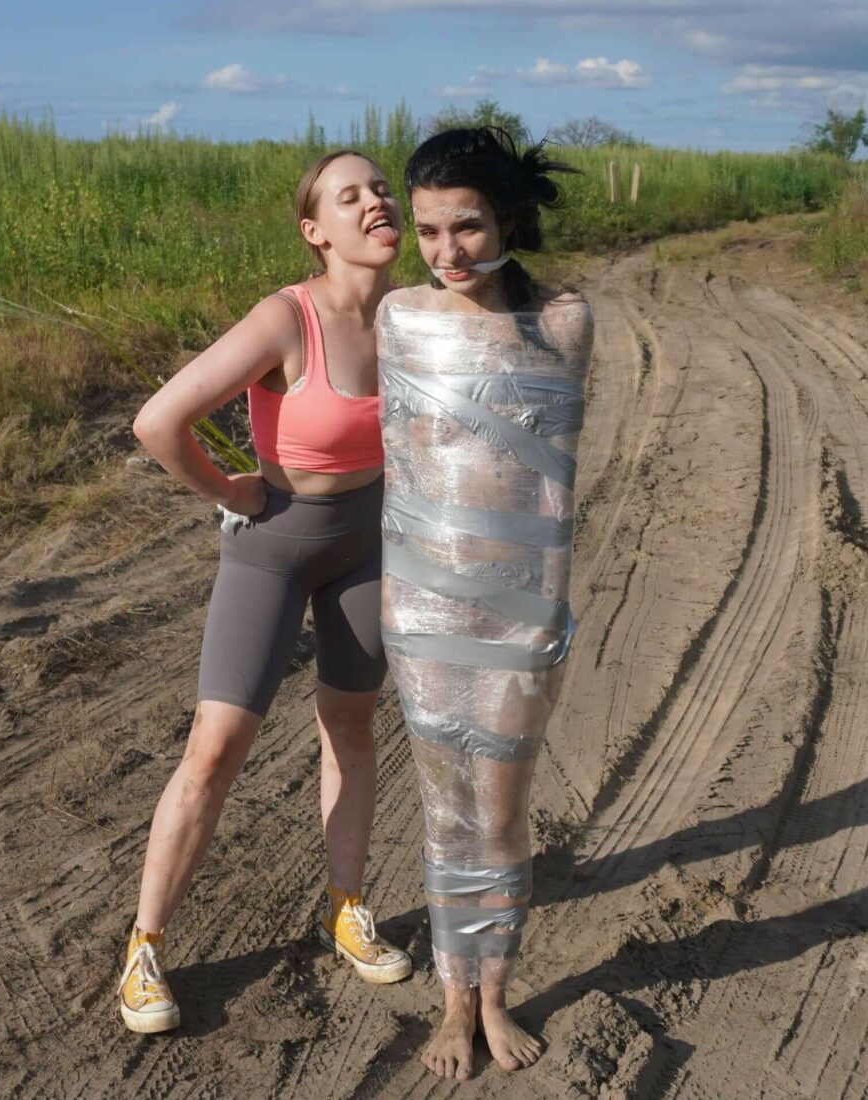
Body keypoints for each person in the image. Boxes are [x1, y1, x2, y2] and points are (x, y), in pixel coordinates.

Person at [117, 151, 412, 1035]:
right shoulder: (285, 319)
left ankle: (346, 906)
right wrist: (230, 490)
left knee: (352, 728)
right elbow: (157, 421)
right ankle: (144, 949)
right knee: (216, 747)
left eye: (381, 189)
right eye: (349, 195)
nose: (375, 202)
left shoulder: (413, 319)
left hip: (367, 543)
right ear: (316, 233)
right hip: (275, 549)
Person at [377, 127, 593, 1079]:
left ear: (508, 219)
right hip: (421, 608)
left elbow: (555, 490)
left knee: (500, 813)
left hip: (516, 612)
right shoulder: (398, 319)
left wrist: (546, 617)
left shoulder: (563, 321)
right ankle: (452, 1002)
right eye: (428, 232)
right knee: (440, 807)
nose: (446, 253)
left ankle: (497, 994)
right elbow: (392, 455)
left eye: (467, 227)